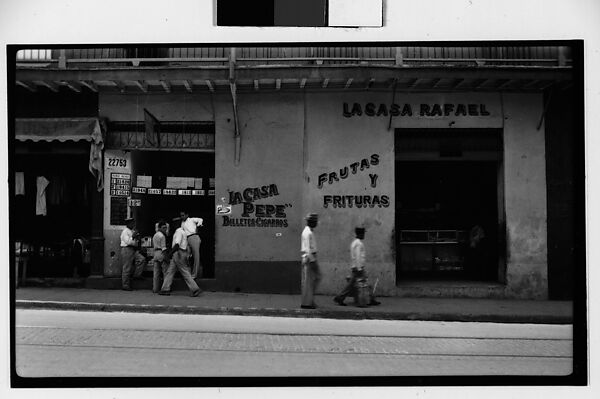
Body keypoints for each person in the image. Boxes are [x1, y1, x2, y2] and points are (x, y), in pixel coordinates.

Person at [333, 227, 380, 306]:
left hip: (356, 267)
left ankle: (371, 299)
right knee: (359, 284)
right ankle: (340, 297)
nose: (364, 235)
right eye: (363, 234)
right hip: (359, 268)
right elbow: (358, 256)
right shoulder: (359, 244)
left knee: (355, 284)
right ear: (360, 234)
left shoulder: (354, 243)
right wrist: (359, 268)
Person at [158, 217, 201, 297]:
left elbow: (177, 245)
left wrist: (170, 254)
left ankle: (195, 289)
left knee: (184, 272)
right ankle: (165, 289)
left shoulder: (179, 232)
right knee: (170, 271)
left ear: (176, 224)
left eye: (173, 224)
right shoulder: (182, 231)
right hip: (179, 253)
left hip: (178, 253)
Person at [300, 213, 321, 309]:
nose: (316, 223)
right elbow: (308, 249)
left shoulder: (308, 231)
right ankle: (307, 303)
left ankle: (309, 301)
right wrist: (313, 261)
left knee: (311, 281)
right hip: (309, 258)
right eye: (315, 221)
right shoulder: (307, 233)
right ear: (311, 222)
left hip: (310, 258)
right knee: (311, 281)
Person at [120, 217, 146, 291]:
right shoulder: (125, 231)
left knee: (141, 259)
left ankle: (137, 275)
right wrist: (133, 236)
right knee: (127, 267)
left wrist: (137, 238)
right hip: (127, 249)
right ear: (128, 224)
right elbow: (128, 242)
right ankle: (125, 285)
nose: (133, 224)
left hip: (133, 249)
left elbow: (135, 241)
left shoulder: (132, 231)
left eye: (133, 223)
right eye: (131, 223)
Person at [180, 211, 204, 279]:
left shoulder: (192, 219)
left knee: (196, 256)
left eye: (183, 215)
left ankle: (194, 275)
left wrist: (199, 225)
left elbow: (200, 219)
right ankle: (188, 274)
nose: (182, 217)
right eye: (181, 215)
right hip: (186, 239)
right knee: (187, 256)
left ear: (187, 215)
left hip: (194, 237)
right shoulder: (182, 223)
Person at [152, 220, 170, 293]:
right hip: (161, 253)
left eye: (165, 228)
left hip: (155, 253)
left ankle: (155, 289)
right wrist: (166, 258)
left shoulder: (155, 235)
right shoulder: (162, 236)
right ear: (159, 228)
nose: (165, 229)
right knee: (165, 272)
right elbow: (164, 248)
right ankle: (165, 288)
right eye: (163, 228)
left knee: (156, 273)